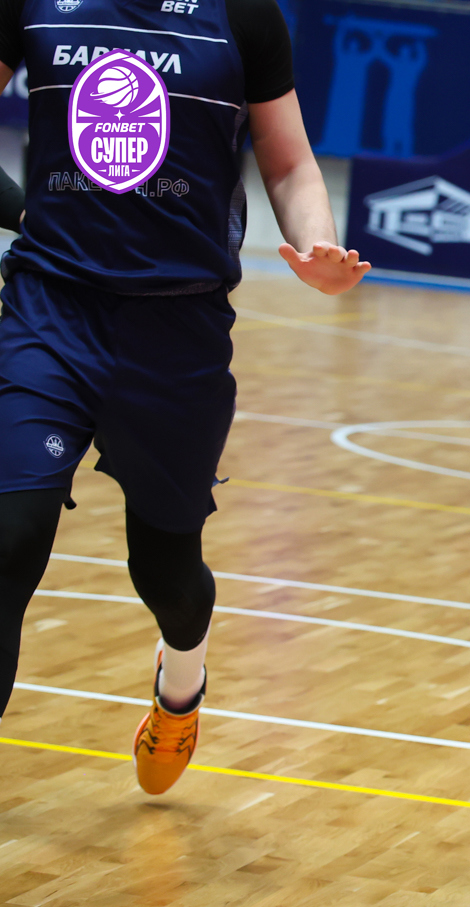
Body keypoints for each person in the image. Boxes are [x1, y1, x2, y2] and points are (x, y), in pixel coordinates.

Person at [0, 0, 369, 794]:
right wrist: (19, 210)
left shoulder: (242, 16)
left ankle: (183, 680)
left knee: (166, 571)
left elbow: (288, 163)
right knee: (9, 537)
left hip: (178, 334)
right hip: (49, 309)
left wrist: (317, 245)